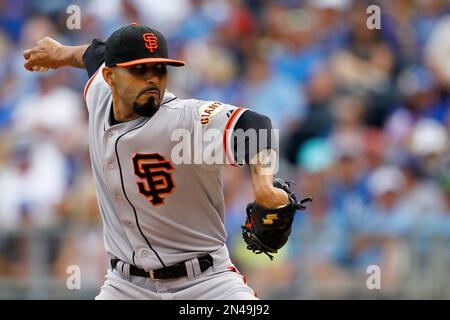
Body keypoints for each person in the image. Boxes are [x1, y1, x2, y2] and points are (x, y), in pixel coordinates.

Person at [23, 23, 309, 300]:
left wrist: (264, 188)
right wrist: (60, 53)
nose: (152, 78)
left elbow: (255, 125)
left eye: (159, 69)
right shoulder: (100, 93)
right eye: (139, 69)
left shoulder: (185, 120)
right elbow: (94, 54)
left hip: (206, 284)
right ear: (109, 77)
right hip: (125, 286)